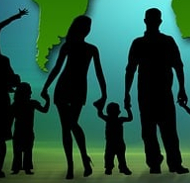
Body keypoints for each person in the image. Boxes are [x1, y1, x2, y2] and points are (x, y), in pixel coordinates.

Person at [124, 8, 189, 174]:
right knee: (158, 131)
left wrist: (182, 88)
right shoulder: (161, 42)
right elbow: (130, 69)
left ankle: (161, 163)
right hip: (152, 93)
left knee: (156, 131)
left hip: (153, 93)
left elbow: (131, 70)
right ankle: (163, 163)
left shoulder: (143, 43)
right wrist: (182, 88)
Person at [42, 15, 107, 180]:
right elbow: (57, 68)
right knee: (67, 127)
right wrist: (46, 87)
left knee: (71, 124)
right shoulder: (68, 46)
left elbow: (99, 72)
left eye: (89, 27)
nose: (87, 29)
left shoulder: (92, 49)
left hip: (79, 89)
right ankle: (71, 166)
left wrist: (104, 93)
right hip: (63, 87)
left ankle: (84, 158)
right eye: (85, 26)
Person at [10, 82, 50, 175]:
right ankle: (26, 168)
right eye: (29, 91)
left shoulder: (16, 104)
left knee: (18, 151)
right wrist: (47, 100)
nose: (31, 92)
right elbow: (45, 110)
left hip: (19, 132)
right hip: (26, 132)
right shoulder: (32, 103)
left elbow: (10, 118)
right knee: (27, 150)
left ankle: (17, 168)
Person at [95, 101, 133, 176]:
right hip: (118, 143)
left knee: (110, 156)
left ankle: (110, 168)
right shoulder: (120, 120)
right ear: (118, 112)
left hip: (112, 143)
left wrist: (99, 108)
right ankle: (121, 168)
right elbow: (130, 118)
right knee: (119, 157)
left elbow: (100, 114)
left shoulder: (108, 119)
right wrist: (128, 109)